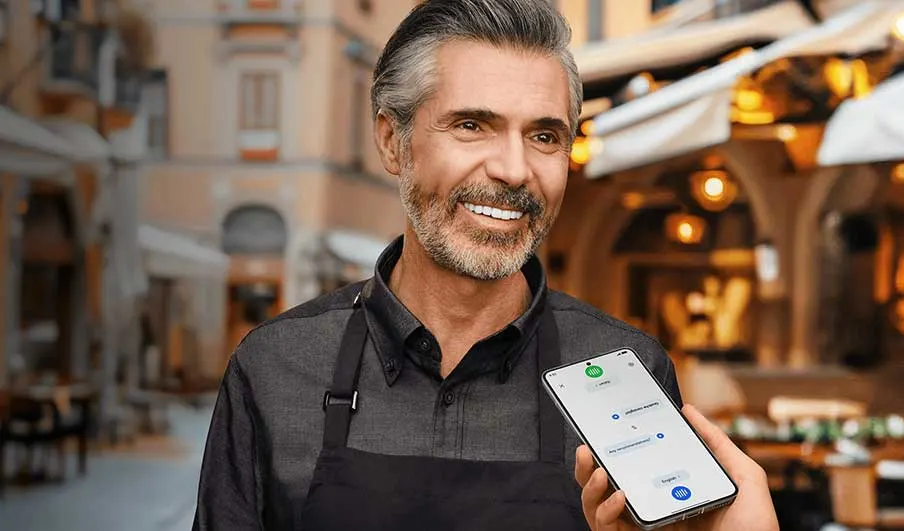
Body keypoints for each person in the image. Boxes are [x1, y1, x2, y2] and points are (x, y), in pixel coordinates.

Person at [192, 1, 779, 530]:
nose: (514, 169)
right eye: (473, 125)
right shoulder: (275, 368)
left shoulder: (626, 371)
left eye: (545, 136)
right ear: (393, 142)